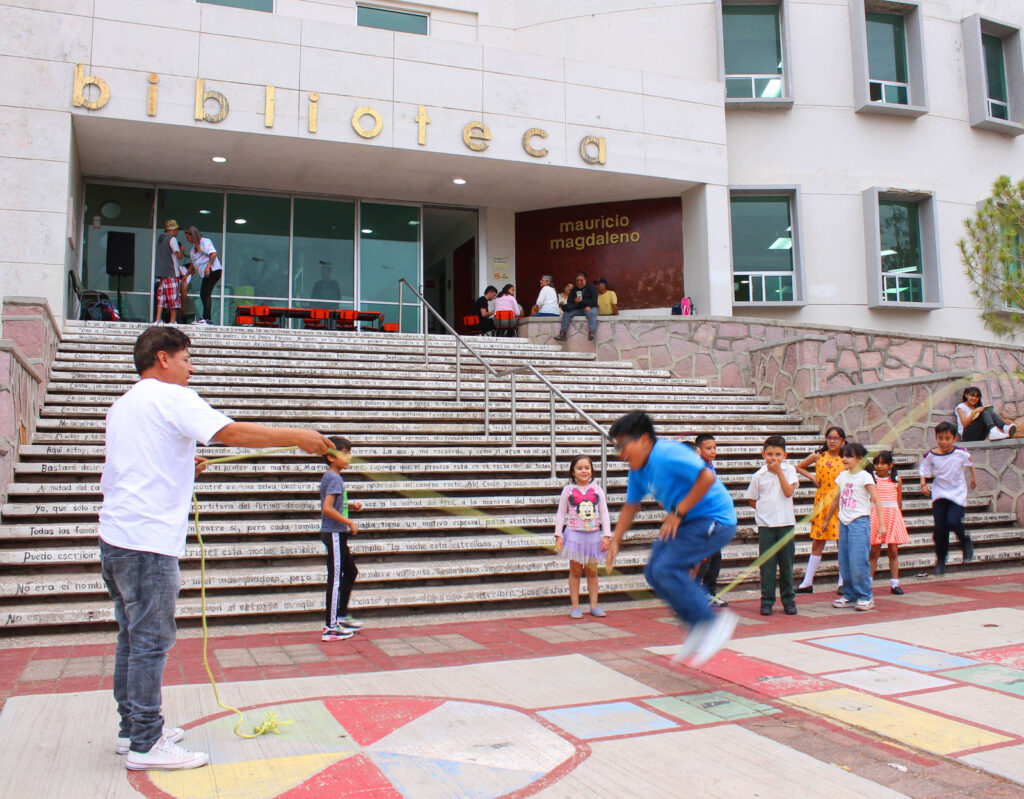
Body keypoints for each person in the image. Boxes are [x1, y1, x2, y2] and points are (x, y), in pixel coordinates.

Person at [100, 326, 332, 771]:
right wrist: (297, 436)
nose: (192, 367)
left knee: (131, 639)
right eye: (187, 358)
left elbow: (137, 460)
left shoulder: (124, 405)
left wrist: (183, 463)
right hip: (148, 543)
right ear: (163, 358)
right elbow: (230, 433)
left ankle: (133, 728)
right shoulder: (173, 397)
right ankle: (146, 744)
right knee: (150, 642)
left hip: (115, 538)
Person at [606, 412, 738, 668]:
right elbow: (631, 506)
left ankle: (714, 623)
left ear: (644, 440)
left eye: (623, 445)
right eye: (616, 448)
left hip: (714, 518)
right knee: (654, 572)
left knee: (668, 568)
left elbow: (707, 477)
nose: (620, 453)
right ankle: (697, 627)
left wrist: (678, 512)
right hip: (687, 522)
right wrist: (615, 541)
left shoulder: (668, 453)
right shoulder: (638, 470)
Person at [822, 442, 887, 612]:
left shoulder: (865, 477)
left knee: (858, 560)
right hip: (844, 522)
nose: (844, 459)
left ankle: (865, 596)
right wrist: (826, 520)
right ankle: (849, 594)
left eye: (849, 456)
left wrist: (881, 524)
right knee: (844, 561)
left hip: (859, 521)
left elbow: (876, 500)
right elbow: (836, 500)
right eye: (843, 455)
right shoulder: (842, 476)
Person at [745, 435, 799, 617]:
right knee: (767, 565)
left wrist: (779, 473)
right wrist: (763, 512)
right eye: (770, 454)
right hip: (766, 526)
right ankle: (767, 600)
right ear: (763, 454)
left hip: (786, 523)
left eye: (778, 454)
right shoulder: (758, 476)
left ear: (785, 455)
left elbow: (788, 491)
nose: (773, 458)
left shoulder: (789, 471)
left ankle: (788, 600)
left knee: (787, 564)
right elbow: (752, 500)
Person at [554, 454, 612, 618]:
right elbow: (561, 514)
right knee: (576, 571)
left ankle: (594, 604)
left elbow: (604, 514)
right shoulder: (568, 490)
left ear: (592, 470)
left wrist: (607, 536)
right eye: (579, 468)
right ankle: (575, 606)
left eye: (587, 468)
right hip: (574, 536)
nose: (584, 471)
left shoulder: (597, 490)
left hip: (593, 536)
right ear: (573, 472)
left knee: (592, 571)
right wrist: (558, 535)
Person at [320, 435, 364, 641]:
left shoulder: (333, 477)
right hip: (335, 533)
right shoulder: (334, 478)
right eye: (344, 454)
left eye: (349, 454)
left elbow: (335, 504)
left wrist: (350, 506)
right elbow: (327, 508)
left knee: (350, 571)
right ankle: (331, 627)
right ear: (331, 457)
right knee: (336, 579)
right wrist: (349, 522)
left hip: (337, 533)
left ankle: (342, 615)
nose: (348, 458)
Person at [921, 421, 978, 576]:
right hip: (940, 493)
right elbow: (924, 469)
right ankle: (941, 559)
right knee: (940, 528)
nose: (944, 442)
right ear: (936, 438)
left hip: (957, 493)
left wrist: (973, 478)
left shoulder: (960, 452)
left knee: (952, 521)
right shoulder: (931, 455)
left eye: (947, 438)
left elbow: (970, 462)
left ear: (954, 438)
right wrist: (923, 484)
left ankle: (965, 540)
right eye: (940, 438)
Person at [794, 426, 846, 594]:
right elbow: (799, 467)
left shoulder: (846, 458)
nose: (832, 441)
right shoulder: (819, 455)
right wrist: (812, 477)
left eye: (836, 438)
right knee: (818, 541)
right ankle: (807, 582)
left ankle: (842, 582)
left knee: (841, 541)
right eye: (829, 437)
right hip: (822, 501)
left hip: (840, 502)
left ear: (843, 441)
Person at [692, 433, 726, 607]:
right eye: (708, 448)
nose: (713, 451)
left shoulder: (711, 467)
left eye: (714, 448)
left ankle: (710, 593)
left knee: (715, 560)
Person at [869, 450, 909, 595]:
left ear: (890, 465)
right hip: (876, 516)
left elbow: (899, 501)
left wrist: (898, 517)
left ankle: (895, 583)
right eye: (876, 463)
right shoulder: (871, 479)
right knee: (874, 551)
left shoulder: (897, 480)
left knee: (893, 551)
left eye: (883, 464)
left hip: (892, 515)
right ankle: (868, 583)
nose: (879, 467)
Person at [184, 226, 222, 325]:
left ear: (193, 236)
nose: (188, 240)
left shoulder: (204, 241)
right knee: (204, 293)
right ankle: (206, 318)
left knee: (205, 292)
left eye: (188, 237)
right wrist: (186, 274)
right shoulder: (193, 250)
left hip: (213, 270)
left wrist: (208, 267)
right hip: (207, 272)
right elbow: (193, 264)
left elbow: (213, 254)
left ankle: (207, 319)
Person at [554, 271, 599, 342]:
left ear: (585, 280)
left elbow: (594, 298)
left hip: (589, 307)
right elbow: (569, 301)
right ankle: (563, 333)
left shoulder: (591, 288)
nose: (579, 282)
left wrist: (589, 306)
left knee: (592, 313)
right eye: (577, 280)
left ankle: (591, 332)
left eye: (581, 280)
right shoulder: (574, 290)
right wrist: (575, 301)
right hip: (578, 309)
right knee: (567, 313)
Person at [153, 220, 182, 325]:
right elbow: (179, 256)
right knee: (173, 297)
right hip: (172, 273)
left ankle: (157, 319)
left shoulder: (160, 240)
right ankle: (172, 321)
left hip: (162, 274)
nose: (177, 232)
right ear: (172, 229)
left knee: (161, 298)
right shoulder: (172, 239)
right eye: (177, 229)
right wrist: (181, 250)